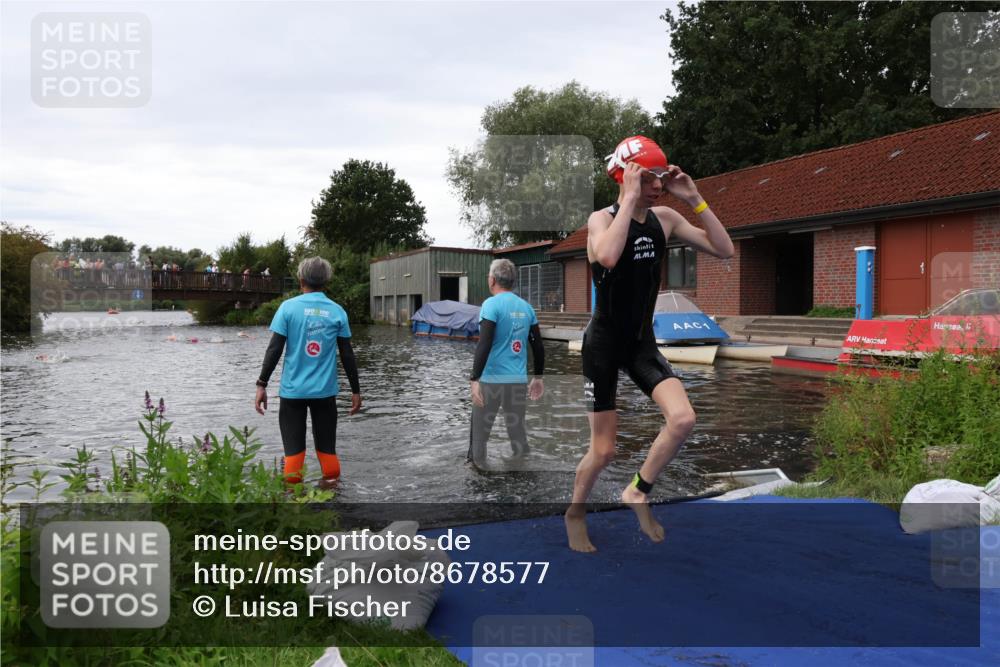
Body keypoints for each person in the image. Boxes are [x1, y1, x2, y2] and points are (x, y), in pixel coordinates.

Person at [565, 136, 735, 553]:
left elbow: (724, 249)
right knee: (603, 451)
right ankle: (575, 514)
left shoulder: (666, 219)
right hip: (603, 346)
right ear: (625, 178)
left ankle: (637, 490)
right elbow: (607, 256)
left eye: (660, 176)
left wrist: (694, 199)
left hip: (641, 343)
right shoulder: (601, 220)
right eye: (647, 177)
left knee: (683, 419)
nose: (657, 185)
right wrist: (628, 199)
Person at [255, 257, 362, 485]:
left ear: (300, 279)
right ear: (326, 281)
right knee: (327, 451)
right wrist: (356, 391)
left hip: (293, 393)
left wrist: (261, 384)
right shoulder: (337, 311)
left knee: (294, 454)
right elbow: (347, 354)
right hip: (324, 393)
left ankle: (294, 500)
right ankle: (332, 497)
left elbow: (274, 349)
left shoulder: (288, 308)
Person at [467, 259, 545, 468]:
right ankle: (522, 474)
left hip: (491, 381)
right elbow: (538, 347)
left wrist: (474, 379)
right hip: (517, 382)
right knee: (517, 432)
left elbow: (484, 343)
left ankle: (477, 477)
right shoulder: (527, 308)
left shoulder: (490, 305)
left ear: (492, 280)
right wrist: (538, 377)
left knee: (479, 436)